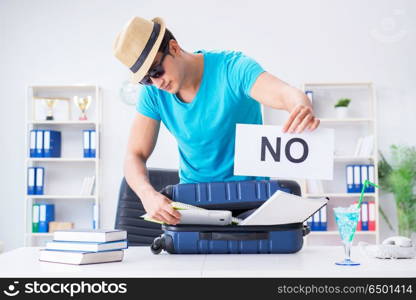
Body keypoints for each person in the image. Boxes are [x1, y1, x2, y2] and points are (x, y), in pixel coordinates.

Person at [113, 16, 320, 225]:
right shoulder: (153, 95)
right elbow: (134, 154)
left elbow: (285, 94)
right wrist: (147, 195)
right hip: (195, 202)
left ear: (174, 48)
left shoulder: (233, 68)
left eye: (156, 71)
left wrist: (300, 105)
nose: (157, 83)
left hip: (252, 199)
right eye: (146, 79)